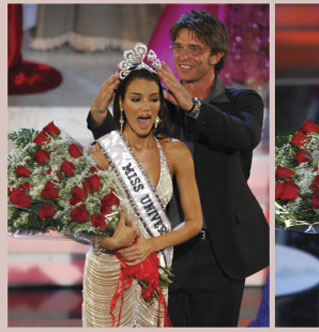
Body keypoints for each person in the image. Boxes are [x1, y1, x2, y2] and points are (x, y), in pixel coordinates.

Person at [86, 9, 269, 326]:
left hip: (221, 247)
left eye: (194, 49)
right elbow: (125, 152)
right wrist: (100, 116)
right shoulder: (161, 104)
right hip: (168, 244)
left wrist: (193, 106)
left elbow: (246, 136)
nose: (183, 57)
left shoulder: (243, 100)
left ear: (216, 56)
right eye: (178, 48)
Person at [82, 42, 203, 327]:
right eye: (136, 99)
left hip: (154, 268)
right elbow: (74, 220)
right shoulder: (102, 154)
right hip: (107, 269)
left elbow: (194, 222)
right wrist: (106, 240)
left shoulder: (176, 153)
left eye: (153, 99)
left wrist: (151, 245)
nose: (146, 107)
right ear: (121, 102)